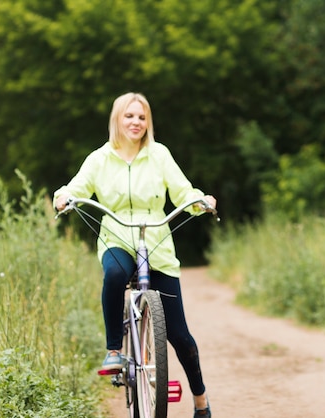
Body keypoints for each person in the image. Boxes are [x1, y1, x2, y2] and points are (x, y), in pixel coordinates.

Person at [54, 92, 214, 418]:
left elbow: (183, 192)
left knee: (179, 336)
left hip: (156, 242)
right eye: (129, 116)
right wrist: (65, 197)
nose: (135, 122)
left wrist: (201, 201)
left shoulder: (159, 155)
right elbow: (75, 187)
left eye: (141, 117)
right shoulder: (100, 158)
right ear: (117, 119)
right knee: (114, 274)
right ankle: (114, 350)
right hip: (117, 238)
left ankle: (201, 399)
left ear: (148, 122)